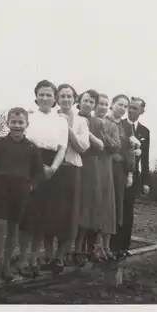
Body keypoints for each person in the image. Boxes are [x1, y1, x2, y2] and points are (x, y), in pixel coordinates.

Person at [0, 107, 44, 283]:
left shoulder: (31, 148)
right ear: (8, 123)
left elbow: (39, 172)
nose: (17, 126)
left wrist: (31, 186)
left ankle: (6, 266)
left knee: (13, 229)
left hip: (21, 191)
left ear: (26, 124)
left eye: (20, 122)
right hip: (3, 190)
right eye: (14, 122)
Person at [15, 80, 69, 278]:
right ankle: (22, 259)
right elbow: (23, 142)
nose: (45, 98)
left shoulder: (61, 121)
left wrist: (54, 167)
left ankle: (34, 259)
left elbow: (62, 147)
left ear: (55, 98)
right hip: (30, 165)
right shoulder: (29, 117)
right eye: (41, 94)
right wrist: (35, 167)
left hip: (51, 168)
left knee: (43, 216)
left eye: (49, 95)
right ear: (36, 96)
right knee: (28, 215)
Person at [47, 83, 90, 273]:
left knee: (69, 216)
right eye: (62, 96)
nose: (65, 99)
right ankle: (47, 256)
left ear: (75, 99)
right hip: (53, 170)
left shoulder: (81, 121)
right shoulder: (50, 117)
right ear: (57, 98)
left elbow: (83, 147)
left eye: (69, 96)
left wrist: (68, 127)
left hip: (72, 170)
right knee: (49, 212)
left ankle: (59, 257)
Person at [114, 96, 151, 256]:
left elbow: (146, 158)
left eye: (135, 108)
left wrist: (145, 182)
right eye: (129, 107)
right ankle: (111, 245)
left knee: (128, 210)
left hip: (133, 175)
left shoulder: (144, 131)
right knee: (116, 207)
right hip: (117, 171)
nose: (130, 110)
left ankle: (124, 246)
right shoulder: (119, 124)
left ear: (142, 111)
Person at [87, 93, 122, 260]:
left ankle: (105, 246)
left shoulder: (112, 126)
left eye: (105, 104)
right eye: (100, 103)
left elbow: (116, 147)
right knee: (92, 205)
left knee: (107, 206)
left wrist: (103, 134)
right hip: (90, 166)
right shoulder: (87, 121)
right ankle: (91, 248)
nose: (102, 107)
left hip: (106, 168)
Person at [73, 89, 105, 266]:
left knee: (88, 208)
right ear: (80, 100)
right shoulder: (71, 117)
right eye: (85, 100)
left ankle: (85, 249)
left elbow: (100, 146)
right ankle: (68, 251)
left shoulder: (97, 122)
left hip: (91, 166)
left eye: (91, 102)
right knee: (73, 207)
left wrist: (87, 132)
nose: (88, 104)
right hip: (75, 162)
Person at [107, 94, 136, 259]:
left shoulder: (127, 126)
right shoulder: (103, 121)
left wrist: (130, 173)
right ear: (112, 104)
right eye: (120, 104)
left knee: (118, 206)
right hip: (104, 166)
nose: (122, 109)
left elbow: (130, 151)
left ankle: (114, 246)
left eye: (125, 106)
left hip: (120, 170)